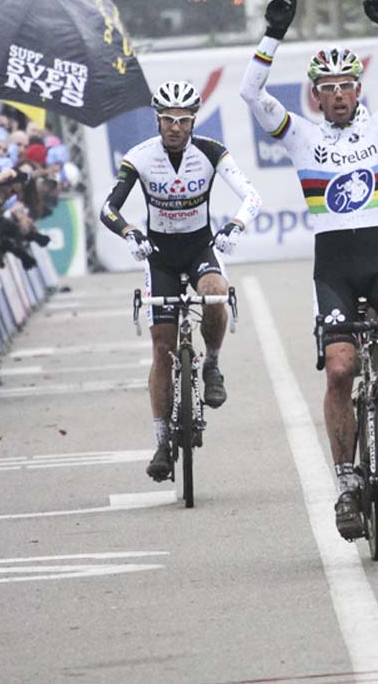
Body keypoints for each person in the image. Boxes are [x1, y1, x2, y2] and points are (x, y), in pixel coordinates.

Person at [240, 0, 378, 541]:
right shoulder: (299, 135)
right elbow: (249, 91)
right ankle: (348, 484)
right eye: (326, 89)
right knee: (340, 371)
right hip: (331, 270)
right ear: (315, 96)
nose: (336, 96)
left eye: (345, 87)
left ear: (358, 90)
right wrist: (272, 35)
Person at [99, 80, 261, 483]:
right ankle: (160, 442)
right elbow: (108, 208)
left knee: (216, 293)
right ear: (157, 120)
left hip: (199, 248)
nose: (175, 127)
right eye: (168, 120)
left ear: (193, 121)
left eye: (183, 120)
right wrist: (130, 233)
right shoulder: (139, 157)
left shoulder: (210, 152)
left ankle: (213, 364)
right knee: (162, 348)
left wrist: (236, 227)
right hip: (160, 257)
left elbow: (251, 197)